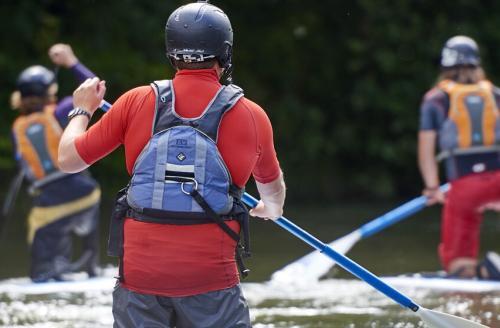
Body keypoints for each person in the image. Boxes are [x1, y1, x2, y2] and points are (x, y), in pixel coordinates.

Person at [57, 1, 286, 327]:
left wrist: (82, 109)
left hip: (140, 281)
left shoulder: (135, 102)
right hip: (212, 284)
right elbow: (273, 192)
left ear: (171, 51)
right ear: (225, 51)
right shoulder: (251, 115)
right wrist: (271, 209)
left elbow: (68, 160)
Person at [10, 44, 101, 282]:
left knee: (42, 236)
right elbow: (95, 88)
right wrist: (71, 62)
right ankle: (91, 265)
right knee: (87, 211)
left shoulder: (17, 128)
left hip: (48, 205)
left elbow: (26, 166)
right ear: (49, 92)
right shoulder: (60, 111)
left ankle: (51, 268)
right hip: (84, 196)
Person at [418, 35, 500, 281]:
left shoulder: (436, 99)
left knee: (457, 267)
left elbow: (426, 150)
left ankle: (481, 271)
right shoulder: (495, 94)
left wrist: (433, 188)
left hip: (464, 187)